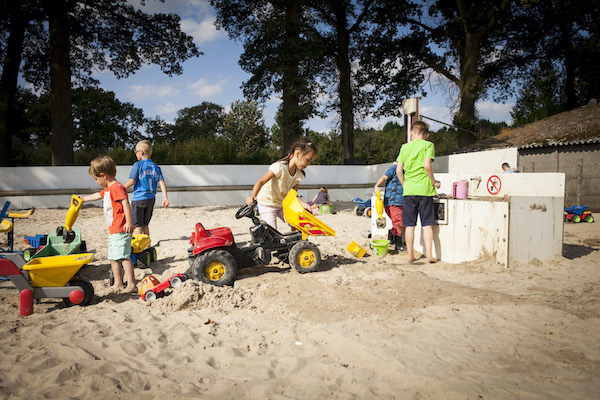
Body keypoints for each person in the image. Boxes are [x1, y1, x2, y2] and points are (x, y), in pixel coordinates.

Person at [81, 156, 136, 293]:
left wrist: (129, 221)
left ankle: (131, 284)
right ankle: (118, 283)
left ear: (103, 175)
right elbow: (97, 195)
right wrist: (83, 199)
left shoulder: (117, 187)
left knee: (123, 257)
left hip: (121, 228)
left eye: (96, 179)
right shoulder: (108, 189)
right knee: (113, 257)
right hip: (113, 229)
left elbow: (125, 203)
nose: (96, 181)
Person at [246, 138, 317, 230]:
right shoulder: (279, 167)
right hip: (267, 204)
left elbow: (293, 194)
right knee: (272, 231)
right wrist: (252, 196)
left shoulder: (299, 174)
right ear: (298, 153)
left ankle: (295, 241)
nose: (309, 164)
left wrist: (303, 204)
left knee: (297, 222)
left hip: (282, 204)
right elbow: (261, 181)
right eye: (307, 160)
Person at [396, 121, 441, 263]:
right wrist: (434, 182)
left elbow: (398, 171)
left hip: (409, 191)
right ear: (426, 135)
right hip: (425, 190)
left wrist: (405, 185)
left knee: (410, 225)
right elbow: (427, 166)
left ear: (411, 133)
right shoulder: (429, 145)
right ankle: (429, 254)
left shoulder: (404, 147)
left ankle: (410, 255)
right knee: (427, 224)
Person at [124, 140, 169, 236]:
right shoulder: (155, 167)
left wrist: (122, 187)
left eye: (136, 151)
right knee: (145, 224)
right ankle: (148, 245)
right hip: (151, 199)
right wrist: (165, 197)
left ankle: (140, 246)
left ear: (141, 152)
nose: (135, 154)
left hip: (139, 199)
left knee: (138, 225)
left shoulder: (138, 165)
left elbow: (132, 181)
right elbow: (161, 182)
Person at [374, 162, 406, 251]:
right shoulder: (394, 169)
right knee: (398, 222)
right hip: (395, 201)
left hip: (394, 201)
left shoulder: (404, 171)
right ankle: (398, 245)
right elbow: (384, 177)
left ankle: (391, 240)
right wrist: (376, 186)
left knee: (396, 221)